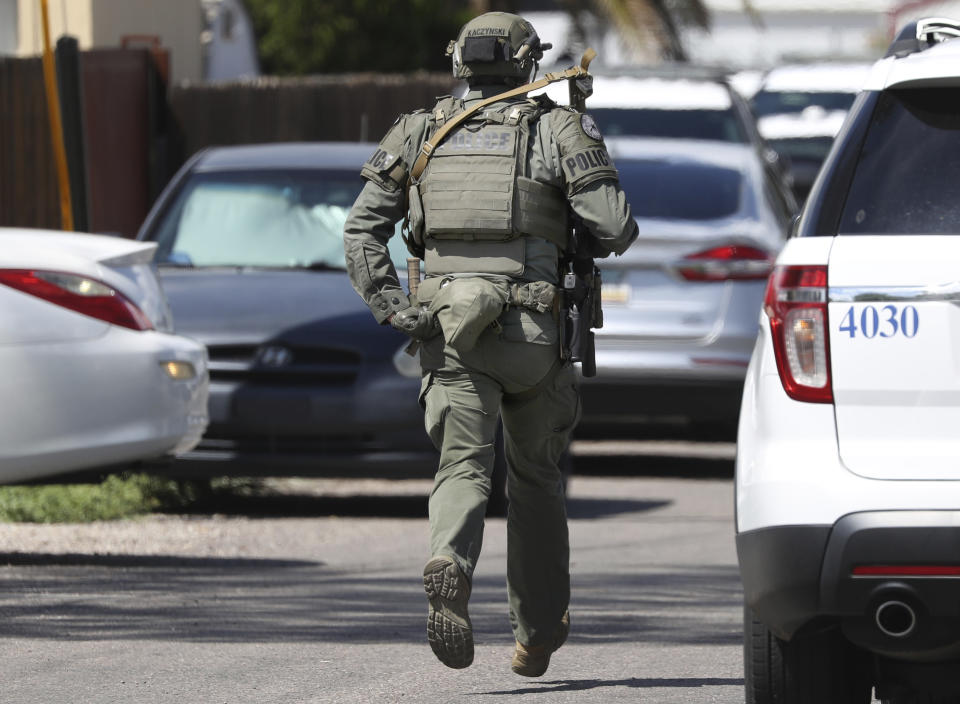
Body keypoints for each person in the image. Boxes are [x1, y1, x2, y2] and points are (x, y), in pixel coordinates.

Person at [343, 11, 638, 677]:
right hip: (534, 335)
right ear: (528, 62)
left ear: (458, 64)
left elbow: (362, 231)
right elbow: (614, 228)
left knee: (463, 469)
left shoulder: (419, 130)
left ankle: (450, 559)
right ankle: (535, 636)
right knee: (534, 481)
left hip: (448, 331)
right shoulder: (556, 127)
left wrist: (393, 307)